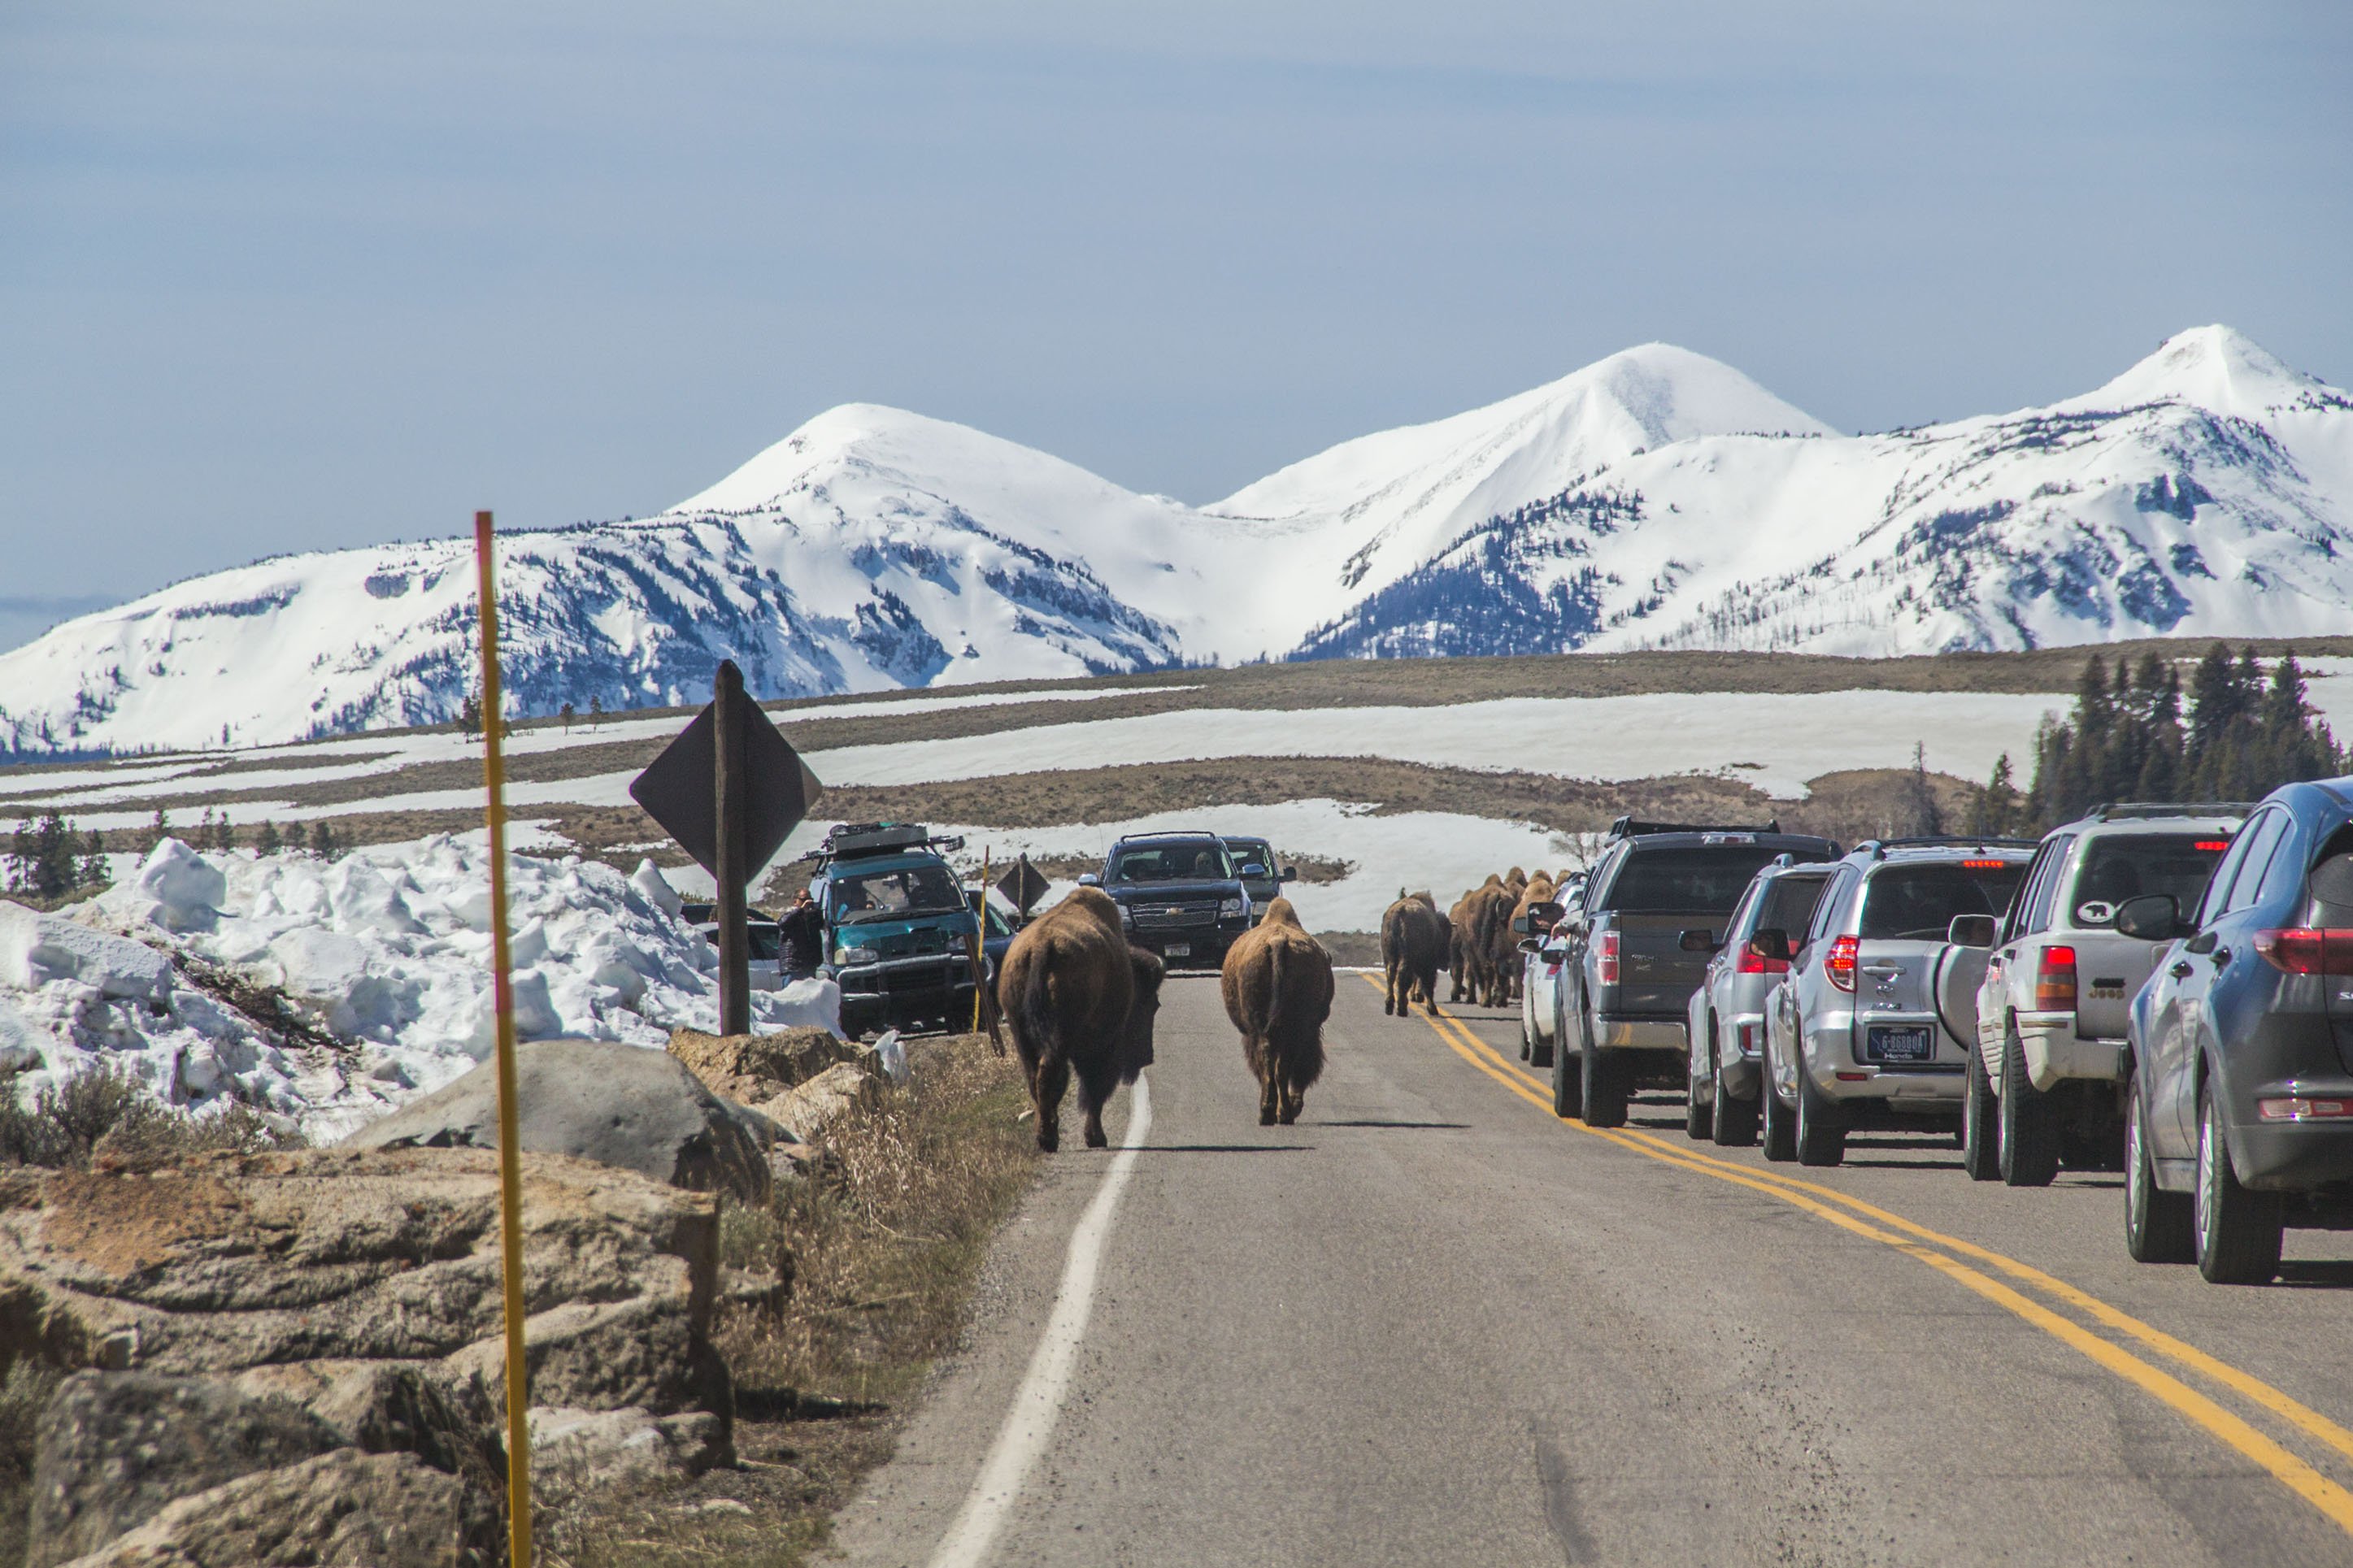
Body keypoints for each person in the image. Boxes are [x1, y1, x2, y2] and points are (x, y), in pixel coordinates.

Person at [778, 886, 824, 981]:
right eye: (804, 900)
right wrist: (801, 910)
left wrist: (816, 912)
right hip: (793, 966)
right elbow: (783, 923)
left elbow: (821, 926)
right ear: (795, 902)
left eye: (810, 900)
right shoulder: (790, 914)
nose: (808, 902)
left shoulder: (810, 916)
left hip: (809, 965)